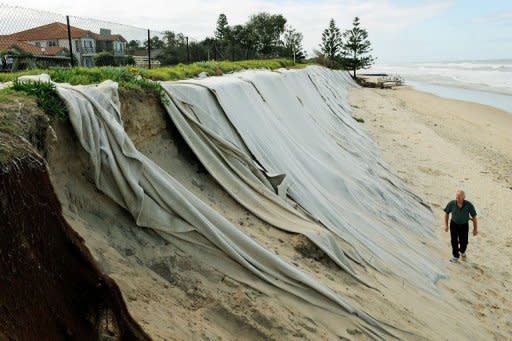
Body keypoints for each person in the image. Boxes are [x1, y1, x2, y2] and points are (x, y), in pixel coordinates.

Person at [444, 190, 478, 263]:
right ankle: (455, 256)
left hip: (464, 225)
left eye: (459, 197)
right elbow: (446, 213)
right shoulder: (451, 204)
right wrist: (446, 225)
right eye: (456, 196)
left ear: (464, 197)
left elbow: (474, 217)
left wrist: (475, 229)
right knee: (454, 241)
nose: (457, 198)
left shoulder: (469, 205)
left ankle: (462, 251)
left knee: (464, 242)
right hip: (454, 224)